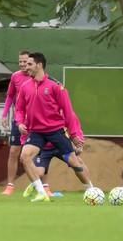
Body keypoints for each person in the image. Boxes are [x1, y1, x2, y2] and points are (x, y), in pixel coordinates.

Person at [15, 52, 89, 203]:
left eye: (29, 64)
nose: (25, 67)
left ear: (39, 65)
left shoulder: (55, 87)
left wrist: (75, 135)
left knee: (75, 163)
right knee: (25, 157)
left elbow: (69, 112)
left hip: (56, 132)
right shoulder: (25, 87)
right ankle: (41, 192)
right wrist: (20, 122)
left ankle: (91, 189)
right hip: (36, 132)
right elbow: (19, 109)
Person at [23, 111, 93, 197]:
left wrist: (79, 144)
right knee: (39, 173)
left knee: (77, 163)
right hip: (44, 148)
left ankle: (91, 189)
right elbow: (28, 127)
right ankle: (35, 185)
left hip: (60, 146)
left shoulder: (66, 112)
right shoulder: (39, 111)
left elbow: (75, 127)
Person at [0, 50, 31, 196]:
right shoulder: (15, 76)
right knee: (14, 152)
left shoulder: (36, 76)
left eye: (25, 61)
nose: (23, 64)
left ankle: (43, 186)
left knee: (37, 153)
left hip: (35, 121)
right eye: (20, 61)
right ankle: (10, 185)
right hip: (18, 121)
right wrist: (4, 114)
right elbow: (10, 96)